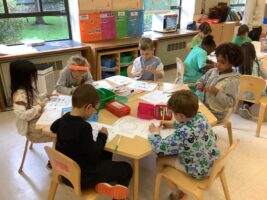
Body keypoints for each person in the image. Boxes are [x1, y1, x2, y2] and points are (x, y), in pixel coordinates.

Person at [50, 84, 132, 199]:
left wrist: (67, 116)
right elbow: (94, 154)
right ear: (88, 107)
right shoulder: (84, 127)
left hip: (64, 173)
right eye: (95, 109)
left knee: (106, 152)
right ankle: (101, 185)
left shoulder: (64, 119)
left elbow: (53, 127)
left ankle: (102, 182)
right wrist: (102, 136)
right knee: (126, 168)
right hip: (82, 177)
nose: (94, 112)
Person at [148, 90, 220, 200]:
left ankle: (177, 193)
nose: (173, 115)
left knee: (159, 159)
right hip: (214, 161)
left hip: (199, 170)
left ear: (180, 115)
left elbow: (159, 148)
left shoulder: (182, 133)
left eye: (173, 113)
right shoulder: (201, 116)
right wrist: (172, 124)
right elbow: (187, 122)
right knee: (178, 151)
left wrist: (155, 133)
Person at [10, 60, 52, 168]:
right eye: (31, 75)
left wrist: (45, 96)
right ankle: (54, 162)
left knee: (58, 118)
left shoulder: (26, 88)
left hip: (36, 119)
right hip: (31, 127)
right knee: (59, 132)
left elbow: (34, 99)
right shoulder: (20, 95)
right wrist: (39, 107)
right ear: (23, 77)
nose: (34, 77)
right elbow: (23, 115)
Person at [196, 43, 243, 121]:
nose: (218, 64)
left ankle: (206, 132)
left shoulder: (233, 80)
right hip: (203, 107)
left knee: (192, 121)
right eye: (217, 60)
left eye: (222, 62)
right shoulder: (212, 71)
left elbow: (231, 102)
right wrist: (200, 84)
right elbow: (201, 80)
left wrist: (217, 92)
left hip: (216, 113)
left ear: (232, 63)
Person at [238, 42, 267, 119]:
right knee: (259, 87)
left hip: (239, 93)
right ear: (253, 52)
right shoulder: (257, 63)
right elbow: (265, 76)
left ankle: (245, 105)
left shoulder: (237, 64)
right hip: (255, 95)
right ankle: (246, 106)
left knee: (247, 86)